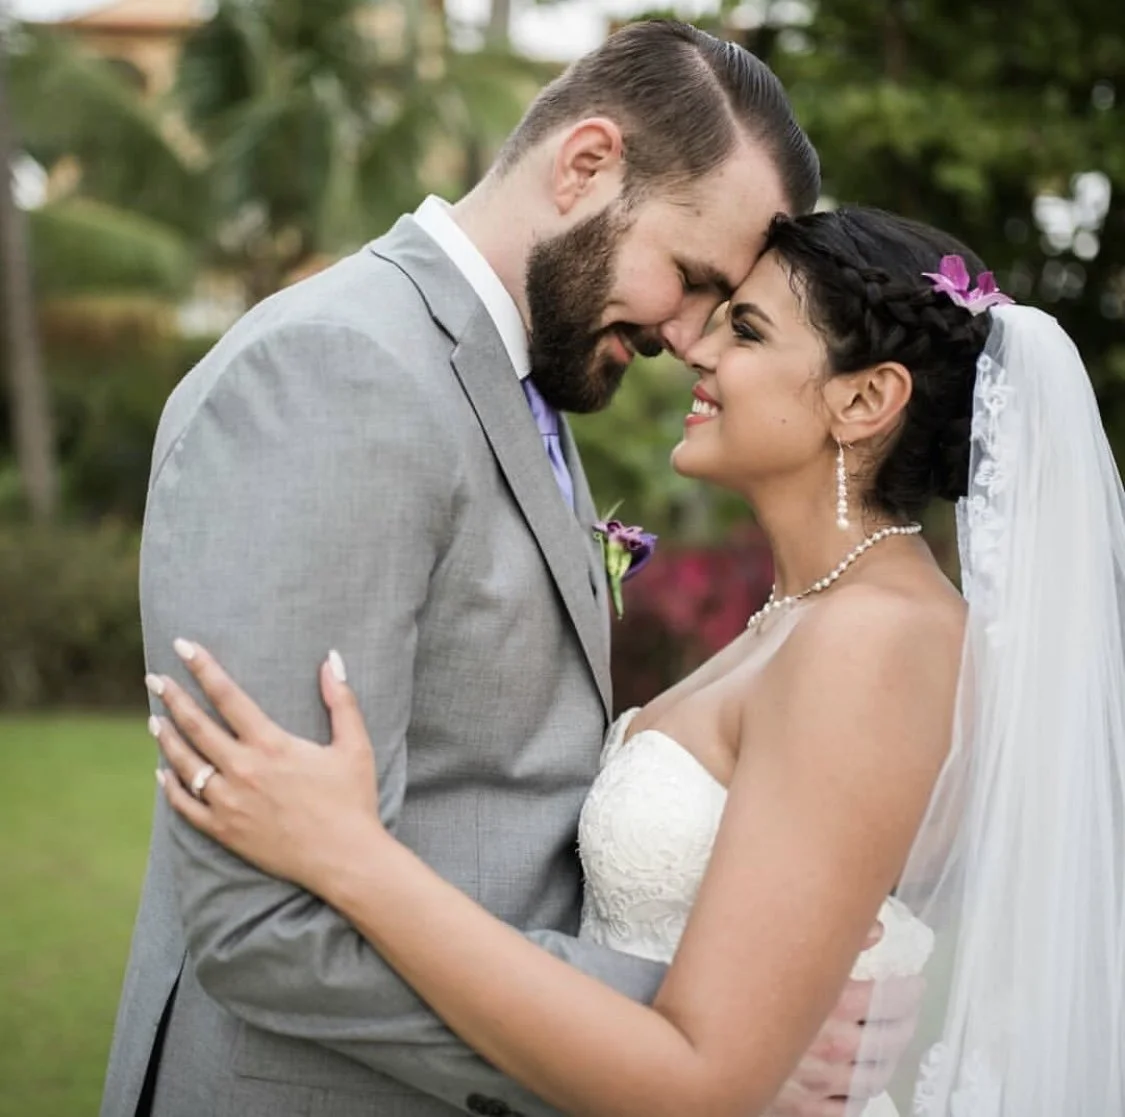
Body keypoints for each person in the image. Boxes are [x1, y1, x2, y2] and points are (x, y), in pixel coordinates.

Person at [146, 205, 1125, 1117]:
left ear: (867, 397)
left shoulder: (875, 641)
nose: (693, 346)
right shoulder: (802, 618)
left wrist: (350, 856)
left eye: (745, 331)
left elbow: (701, 1074)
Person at [102, 20, 903, 1117]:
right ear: (586, 165)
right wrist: (686, 1038)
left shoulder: (525, 374)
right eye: (689, 277)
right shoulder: (338, 376)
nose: (686, 336)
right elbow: (266, 923)